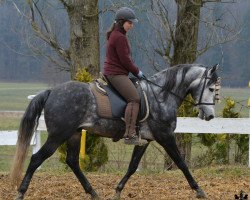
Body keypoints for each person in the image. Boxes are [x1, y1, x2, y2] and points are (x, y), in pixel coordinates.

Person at [103, 7, 147, 145]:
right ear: (121, 22)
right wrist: (137, 72)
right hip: (116, 74)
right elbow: (125, 61)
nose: (132, 26)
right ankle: (129, 134)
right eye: (130, 23)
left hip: (116, 72)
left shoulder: (116, 35)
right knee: (134, 98)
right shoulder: (119, 37)